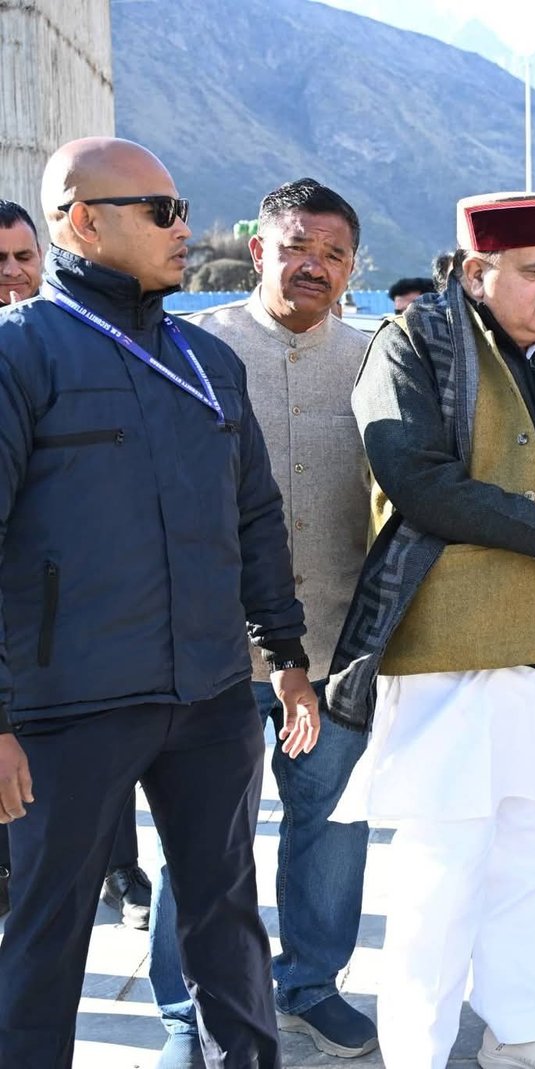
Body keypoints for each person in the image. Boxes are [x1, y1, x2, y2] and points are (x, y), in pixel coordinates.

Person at [0, 136, 317, 1068]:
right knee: (46, 932)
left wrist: (286, 656)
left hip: (212, 695)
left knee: (227, 919)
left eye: (182, 209)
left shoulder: (207, 361)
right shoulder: (20, 352)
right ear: (82, 221)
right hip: (68, 705)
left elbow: (255, 518)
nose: (185, 228)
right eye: (161, 211)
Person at [327, 191, 535, 1069]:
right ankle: (416, 1053)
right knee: (443, 863)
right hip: (456, 650)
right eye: (534, 271)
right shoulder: (414, 341)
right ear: (475, 272)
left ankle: (519, 1029)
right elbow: (417, 477)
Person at [143, 178, 377, 1063]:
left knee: (332, 825)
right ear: (258, 251)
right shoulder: (191, 350)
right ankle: (184, 1007)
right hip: (212, 652)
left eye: (333, 253)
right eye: (297, 247)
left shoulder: (375, 359)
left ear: (352, 267)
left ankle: (312, 983)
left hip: (338, 645)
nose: (314, 265)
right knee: (205, 835)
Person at [0, 199, 156, 930]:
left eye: (22, 257)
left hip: (77, 631)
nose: (11, 273)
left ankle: (120, 872)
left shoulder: (82, 349)